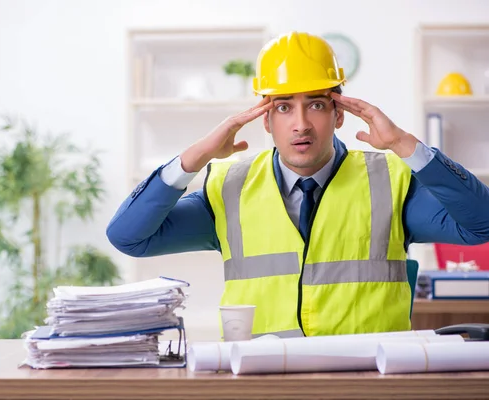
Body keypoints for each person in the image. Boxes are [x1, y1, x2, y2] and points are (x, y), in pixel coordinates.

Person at [107, 32, 489, 338]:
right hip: (261, 384)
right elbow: (129, 237)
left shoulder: (391, 180)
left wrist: (407, 146)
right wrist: (193, 158)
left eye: (317, 105)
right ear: (265, 120)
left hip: (367, 383)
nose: (301, 124)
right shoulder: (228, 187)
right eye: (284, 106)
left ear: (339, 114)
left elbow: (481, 224)